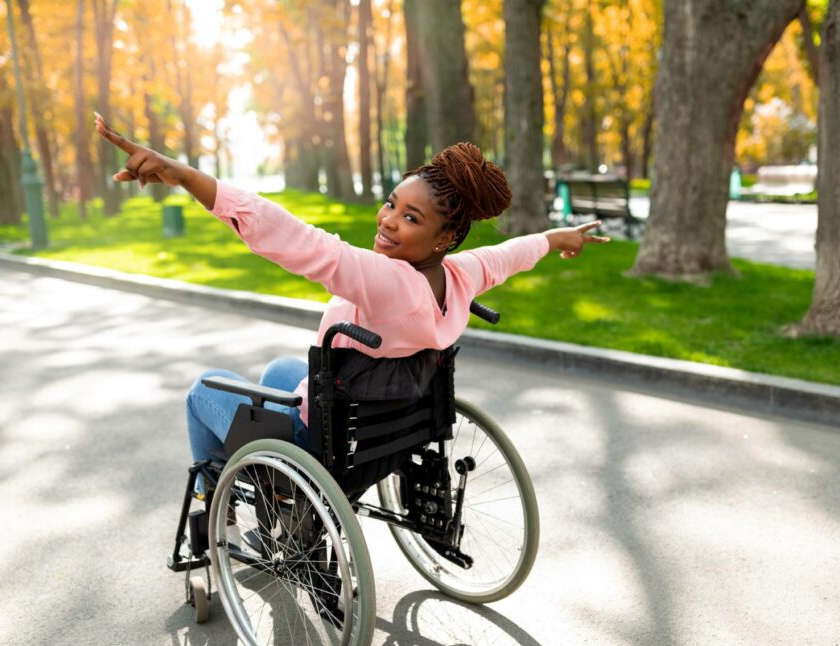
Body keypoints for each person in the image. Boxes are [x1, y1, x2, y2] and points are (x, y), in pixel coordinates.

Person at [94, 112, 608, 480]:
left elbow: (292, 236)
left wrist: (186, 176)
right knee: (279, 369)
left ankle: (213, 504)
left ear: (444, 238)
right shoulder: (459, 276)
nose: (387, 220)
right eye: (392, 203)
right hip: (385, 431)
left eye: (411, 218)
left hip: (326, 445)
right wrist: (559, 238)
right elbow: (511, 254)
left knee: (204, 387)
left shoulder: (385, 281)